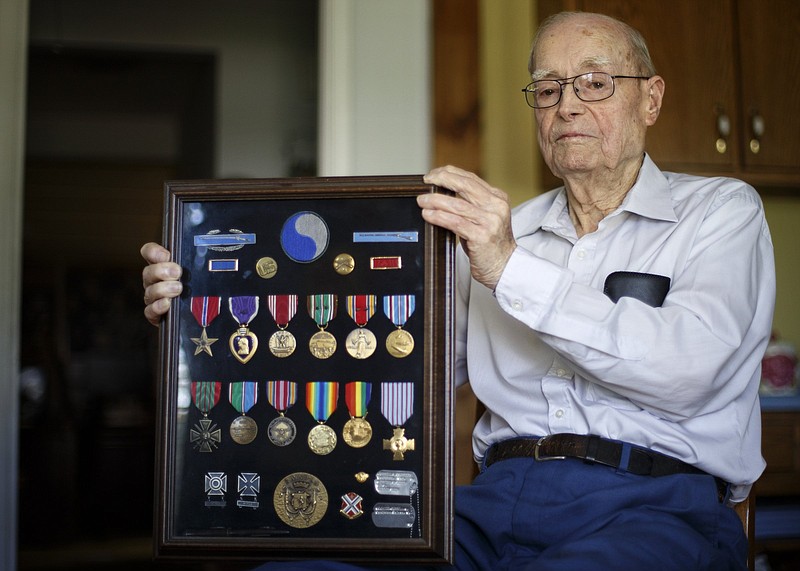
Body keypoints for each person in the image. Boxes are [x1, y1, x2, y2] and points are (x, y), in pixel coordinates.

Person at [141, 11, 775, 571]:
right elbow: (392, 366)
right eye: (547, 89)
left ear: (651, 99)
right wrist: (208, 312)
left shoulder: (719, 211)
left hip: (652, 505)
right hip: (484, 506)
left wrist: (508, 267)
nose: (568, 105)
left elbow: (689, 370)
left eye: (595, 82)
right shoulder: (499, 232)